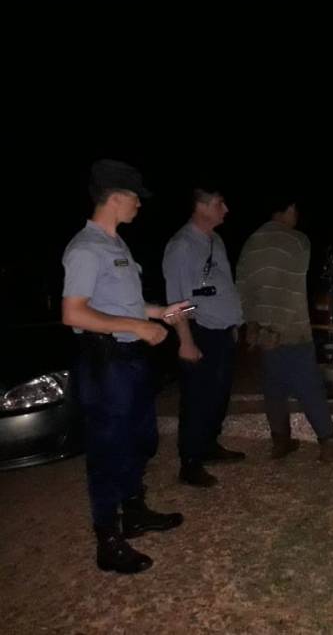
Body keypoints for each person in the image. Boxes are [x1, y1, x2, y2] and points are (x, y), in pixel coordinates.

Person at [62, 159, 189, 574]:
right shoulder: (85, 248)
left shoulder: (116, 244)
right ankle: (108, 539)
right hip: (106, 362)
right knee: (108, 449)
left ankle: (134, 512)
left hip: (130, 360)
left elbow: (122, 304)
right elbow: (74, 313)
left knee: (140, 439)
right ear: (116, 197)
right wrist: (136, 326)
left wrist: (158, 313)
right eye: (135, 197)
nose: (139, 204)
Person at [236, 199, 333, 463]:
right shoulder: (297, 240)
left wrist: (253, 325)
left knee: (274, 384)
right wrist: (277, 328)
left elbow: (243, 286)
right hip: (290, 328)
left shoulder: (252, 241)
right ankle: (330, 443)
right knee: (309, 385)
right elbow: (292, 288)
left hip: (262, 329)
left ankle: (280, 439)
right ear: (290, 208)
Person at [162, 187, 245, 487]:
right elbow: (178, 301)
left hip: (222, 330)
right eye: (220, 203)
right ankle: (190, 462)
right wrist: (186, 341)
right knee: (197, 398)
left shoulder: (215, 241)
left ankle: (209, 445)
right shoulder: (181, 246)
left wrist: (234, 322)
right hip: (201, 330)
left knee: (218, 396)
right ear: (201, 206)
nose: (226, 209)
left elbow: (223, 286)